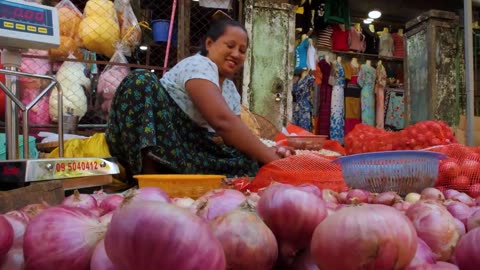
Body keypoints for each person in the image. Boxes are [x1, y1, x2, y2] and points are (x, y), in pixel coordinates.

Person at [105, 18, 294, 179]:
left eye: (242, 50)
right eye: (230, 46)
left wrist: (266, 151)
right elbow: (222, 122)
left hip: (183, 148)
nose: (236, 54)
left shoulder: (229, 89)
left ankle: (175, 174)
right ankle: (148, 176)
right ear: (209, 44)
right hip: (157, 140)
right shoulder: (199, 65)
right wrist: (273, 159)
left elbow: (234, 136)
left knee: (247, 159)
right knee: (141, 80)